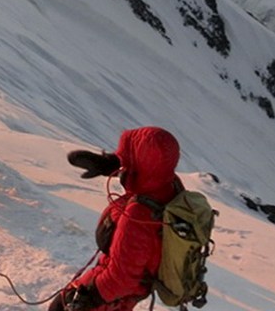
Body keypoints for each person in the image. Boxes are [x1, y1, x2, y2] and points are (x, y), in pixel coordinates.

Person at [49, 126, 183, 311]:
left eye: (130, 155)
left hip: (111, 294)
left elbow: (122, 277)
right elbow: (153, 163)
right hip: (133, 289)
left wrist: (89, 298)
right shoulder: (170, 186)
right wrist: (113, 162)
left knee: (58, 308)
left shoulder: (139, 214)